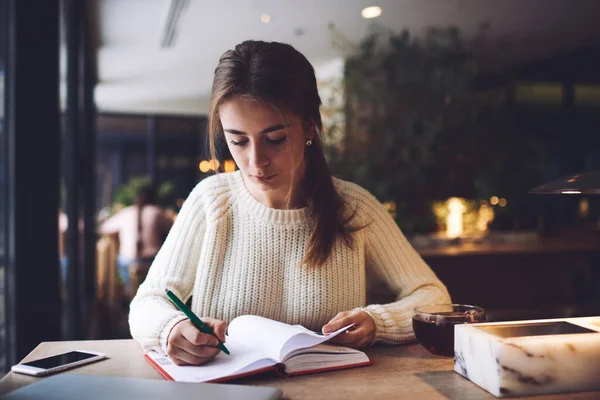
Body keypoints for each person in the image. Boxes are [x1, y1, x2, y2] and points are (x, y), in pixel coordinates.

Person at [129, 40, 451, 366]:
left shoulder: (354, 208)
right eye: (237, 140)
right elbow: (148, 301)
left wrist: (377, 322)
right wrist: (171, 328)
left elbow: (434, 299)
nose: (256, 161)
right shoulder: (210, 202)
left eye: (275, 139)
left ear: (310, 127)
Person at [100, 185, 174, 291]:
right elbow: (174, 229)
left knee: (120, 259)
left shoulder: (126, 212)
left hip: (128, 262)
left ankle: (128, 293)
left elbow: (105, 227)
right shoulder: (158, 212)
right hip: (152, 262)